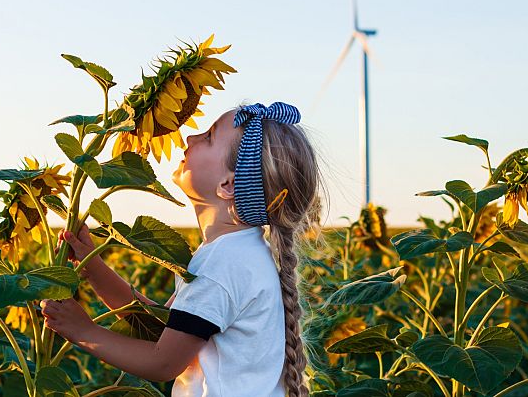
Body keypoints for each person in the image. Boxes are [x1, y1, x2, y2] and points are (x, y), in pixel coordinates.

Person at [41, 102, 324, 396]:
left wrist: (84, 331)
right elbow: (160, 328)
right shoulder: (237, 253)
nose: (190, 138)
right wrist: (93, 268)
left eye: (208, 137)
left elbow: (163, 362)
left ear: (228, 185)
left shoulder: (223, 264)